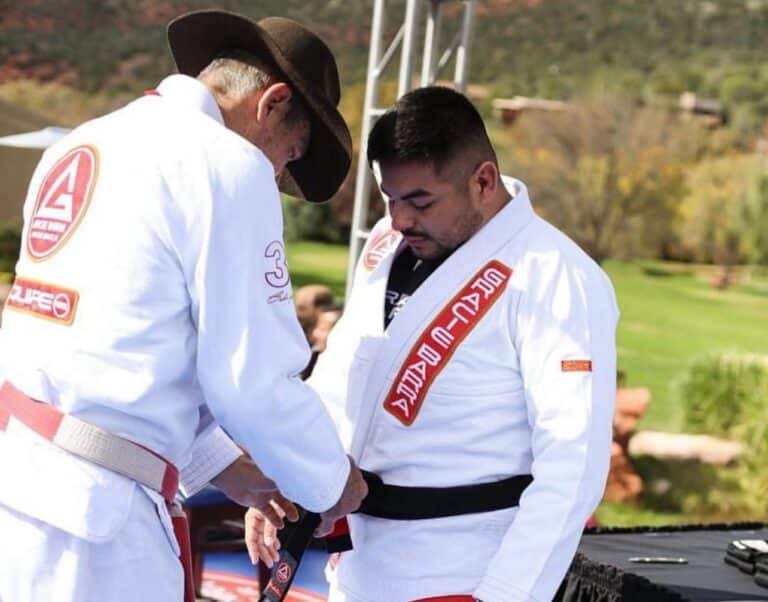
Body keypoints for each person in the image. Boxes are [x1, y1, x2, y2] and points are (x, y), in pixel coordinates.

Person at [0, 9, 367, 602]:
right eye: (290, 154)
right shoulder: (227, 165)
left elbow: (123, 348)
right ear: (272, 103)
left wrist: (228, 470)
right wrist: (331, 481)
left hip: (18, 489)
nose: (279, 173)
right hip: (96, 534)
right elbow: (253, 380)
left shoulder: (81, 143)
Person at [247, 86, 619, 602]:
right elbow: (342, 375)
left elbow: (573, 461)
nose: (400, 219)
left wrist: (506, 592)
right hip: (361, 566)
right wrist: (290, 483)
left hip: (463, 570)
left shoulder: (555, 275)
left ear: (483, 181)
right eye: (390, 198)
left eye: (420, 201)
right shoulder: (386, 242)